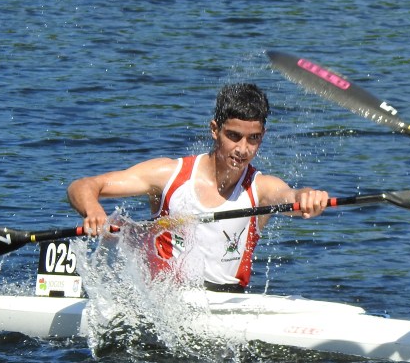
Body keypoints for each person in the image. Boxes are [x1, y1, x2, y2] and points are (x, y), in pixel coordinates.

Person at [67, 83, 328, 292]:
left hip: (228, 302)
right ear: (215, 130)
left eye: (253, 139)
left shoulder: (261, 189)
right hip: (167, 302)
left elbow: (291, 197)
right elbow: (85, 185)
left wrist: (308, 199)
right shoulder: (169, 175)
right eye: (234, 136)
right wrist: (93, 210)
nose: (243, 149)